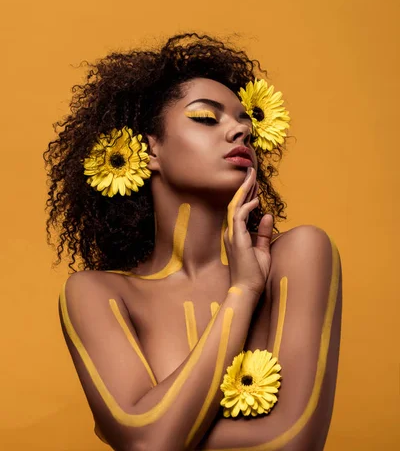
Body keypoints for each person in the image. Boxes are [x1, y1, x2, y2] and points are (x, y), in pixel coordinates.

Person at [43, 33, 342, 451]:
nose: (239, 129)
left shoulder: (298, 257)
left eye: (246, 125)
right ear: (148, 151)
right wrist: (242, 294)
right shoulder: (96, 293)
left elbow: (293, 441)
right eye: (206, 117)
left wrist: (155, 426)